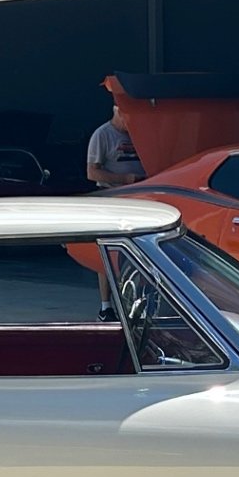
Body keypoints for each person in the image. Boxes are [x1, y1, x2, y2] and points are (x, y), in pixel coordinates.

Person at [86, 102, 145, 319]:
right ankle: (105, 306)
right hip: (111, 198)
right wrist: (124, 179)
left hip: (139, 198)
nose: (129, 122)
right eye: (126, 116)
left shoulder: (139, 134)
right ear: (117, 111)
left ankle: (135, 303)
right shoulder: (102, 135)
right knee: (108, 251)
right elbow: (92, 173)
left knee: (137, 251)